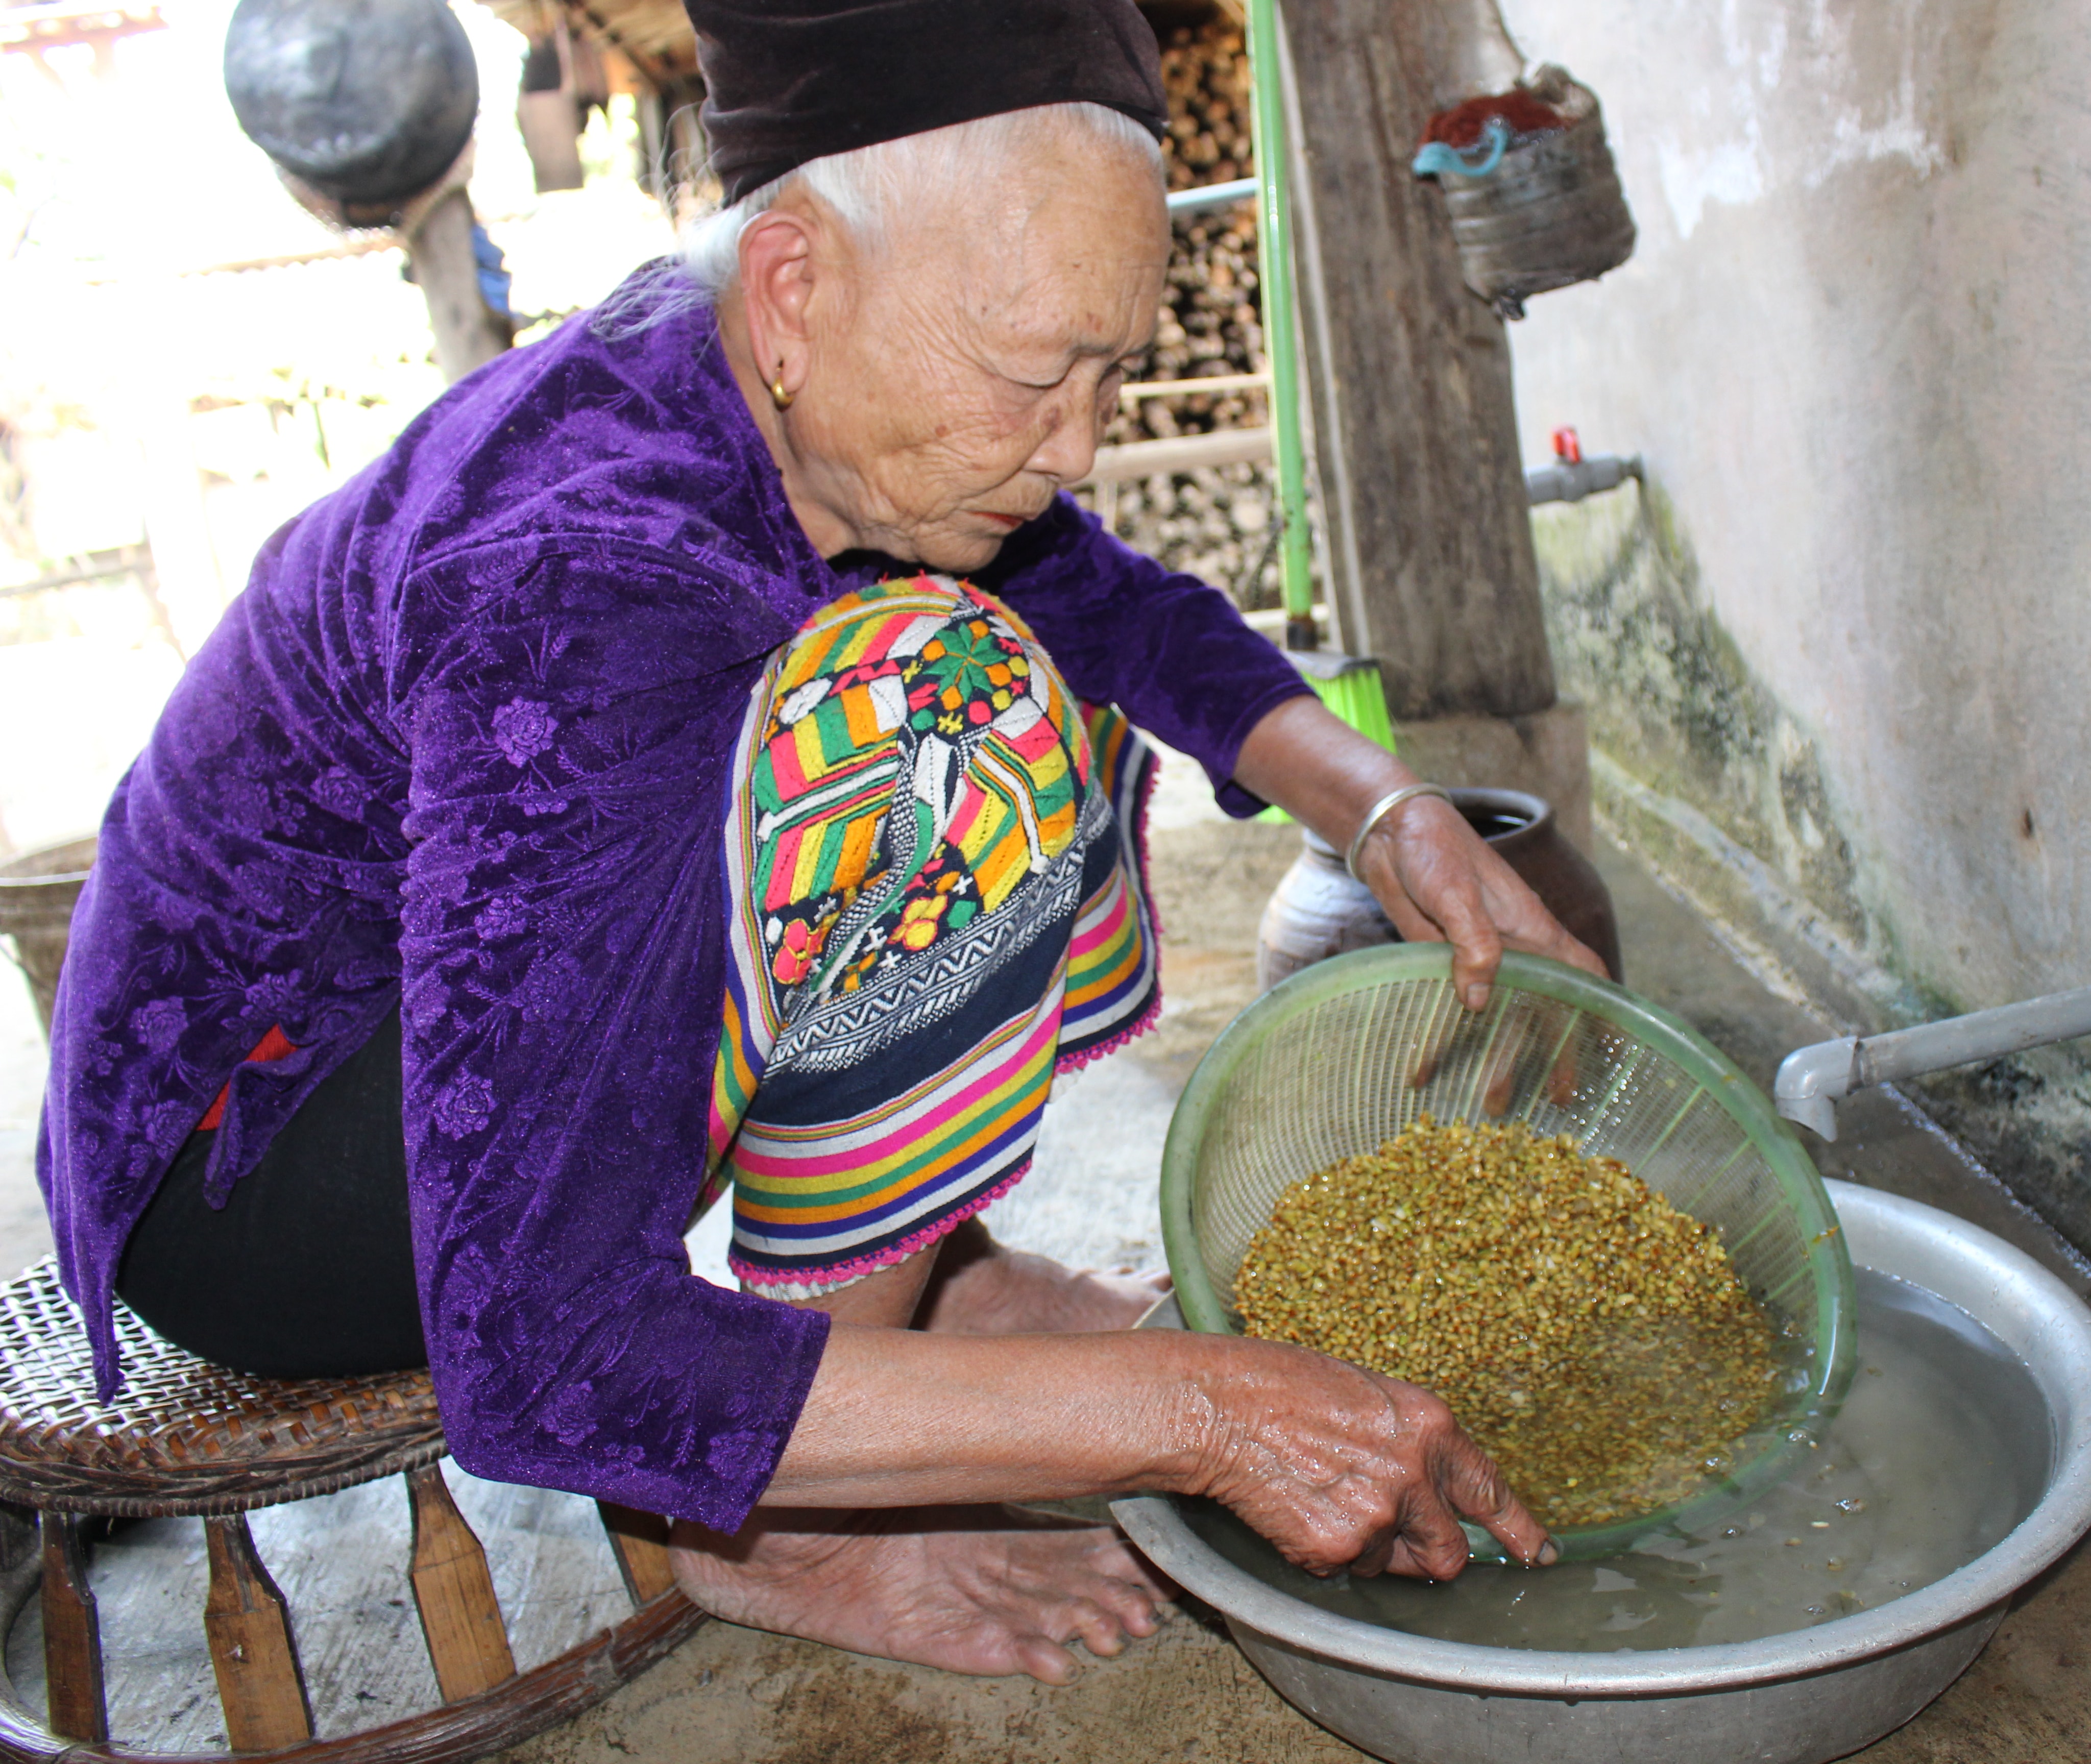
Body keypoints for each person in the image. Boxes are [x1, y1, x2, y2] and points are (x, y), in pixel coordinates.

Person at [38, 0, 1601, 1684]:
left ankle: (940, 1293)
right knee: (941, 720)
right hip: (257, 1165)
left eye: (1110, 375)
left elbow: (1119, 606)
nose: (1073, 444)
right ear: (794, 289)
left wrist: (1390, 817)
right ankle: (780, 1527)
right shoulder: (586, 579)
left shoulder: (781, 389)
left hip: (421, 1052)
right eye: (1032, 373)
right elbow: (542, 1354)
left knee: (1009, 665)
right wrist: (1207, 1416)